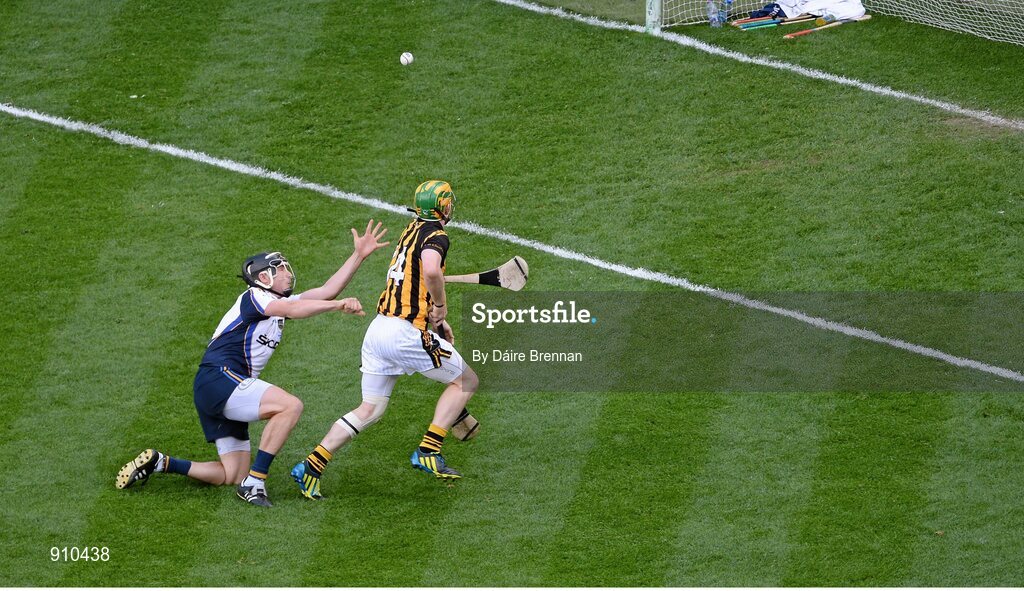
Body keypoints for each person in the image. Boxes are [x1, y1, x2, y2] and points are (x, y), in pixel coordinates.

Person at [115, 221, 390, 507]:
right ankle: (255, 482)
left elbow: (325, 291)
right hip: (220, 378)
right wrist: (338, 306)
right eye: (279, 269)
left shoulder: (275, 301)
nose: (287, 272)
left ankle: (162, 463)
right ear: (263, 277)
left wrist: (358, 255)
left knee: (230, 473)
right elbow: (301, 307)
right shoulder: (255, 297)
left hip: (219, 386)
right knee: (290, 406)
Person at [292, 181, 479, 500]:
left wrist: (436, 319)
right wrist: (441, 306)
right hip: (403, 333)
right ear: (444, 207)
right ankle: (429, 450)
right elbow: (431, 272)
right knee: (465, 381)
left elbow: (412, 280)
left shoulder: (411, 229)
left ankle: (311, 466)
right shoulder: (437, 235)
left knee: (371, 409)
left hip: (379, 330)